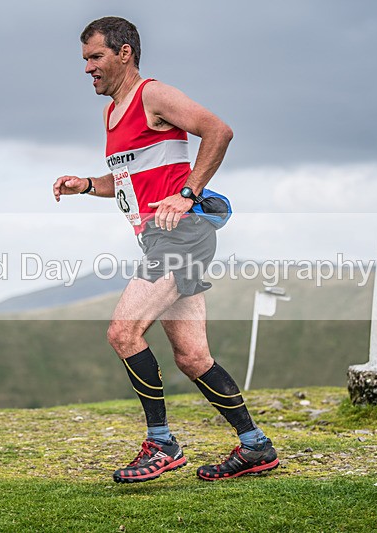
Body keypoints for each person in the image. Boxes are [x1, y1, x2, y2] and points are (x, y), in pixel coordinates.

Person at [53, 17, 278, 482]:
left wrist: (188, 193)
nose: (88, 68)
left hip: (182, 234)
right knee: (193, 358)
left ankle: (161, 445)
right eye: (85, 60)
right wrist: (86, 185)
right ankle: (255, 446)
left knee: (122, 332)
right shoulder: (110, 114)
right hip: (161, 238)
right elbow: (128, 182)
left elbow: (219, 131)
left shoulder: (152, 95)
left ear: (124, 54)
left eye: (95, 57)